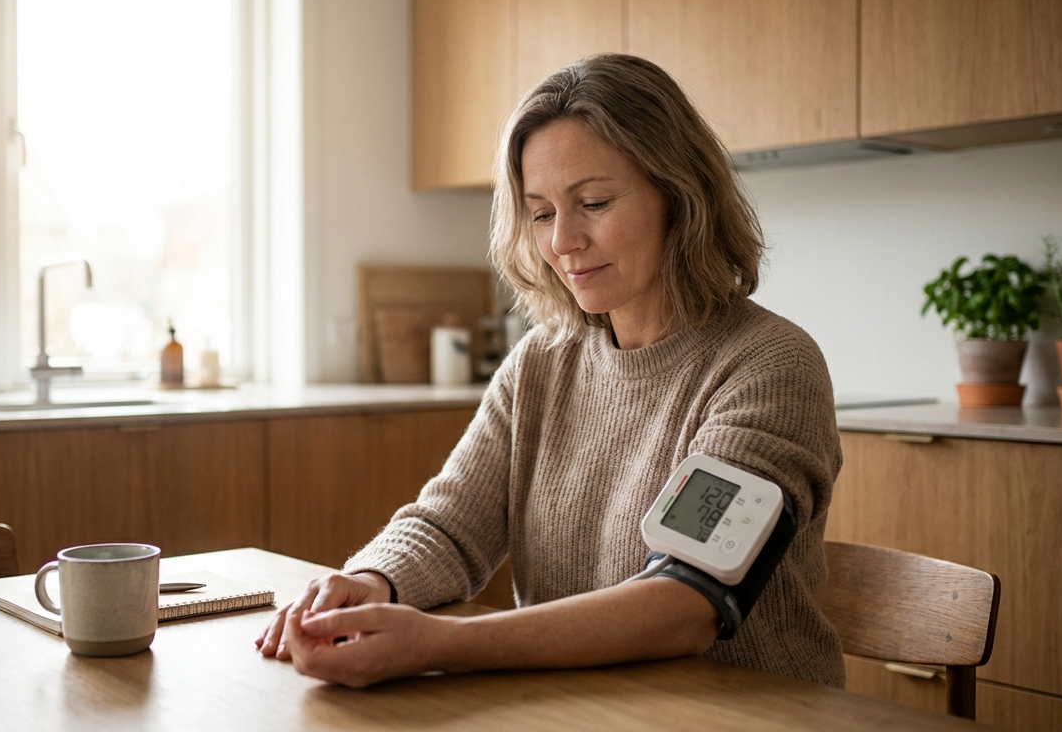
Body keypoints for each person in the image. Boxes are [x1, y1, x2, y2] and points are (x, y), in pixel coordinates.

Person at [256, 53, 845, 689]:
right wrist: (373, 583)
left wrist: (444, 642)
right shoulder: (542, 361)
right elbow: (451, 528)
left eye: (593, 202)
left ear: (679, 196)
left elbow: (688, 601)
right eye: (540, 213)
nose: (562, 241)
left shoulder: (767, 367)